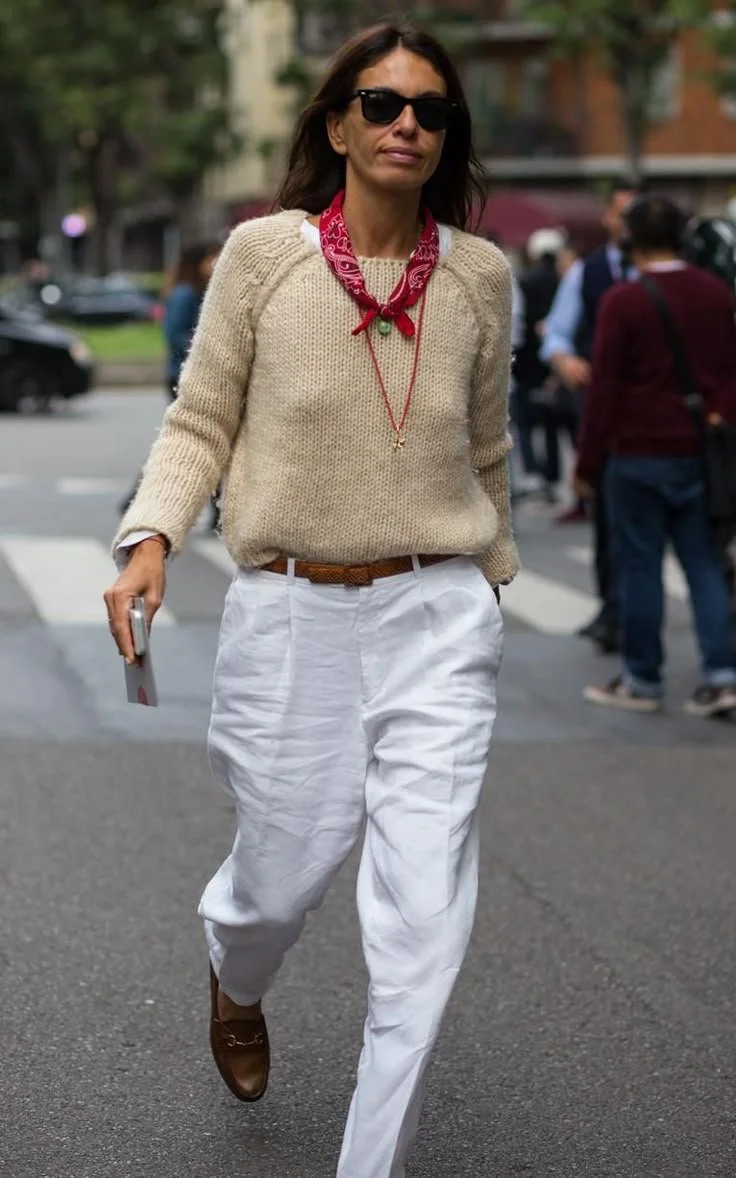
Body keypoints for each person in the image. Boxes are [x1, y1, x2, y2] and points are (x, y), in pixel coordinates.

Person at [104, 21, 518, 1178]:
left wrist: (492, 577)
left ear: (447, 138)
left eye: (430, 112)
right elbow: (200, 420)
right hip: (291, 612)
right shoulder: (262, 255)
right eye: (382, 104)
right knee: (276, 878)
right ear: (336, 123)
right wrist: (151, 538)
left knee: (424, 918)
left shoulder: (480, 276)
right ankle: (238, 977)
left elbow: (487, 451)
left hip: (438, 613)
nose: (405, 126)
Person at [575, 194, 736, 717]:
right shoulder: (715, 293)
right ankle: (721, 674)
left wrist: (587, 464)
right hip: (698, 451)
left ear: (631, 241)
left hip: (636, 453)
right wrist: (718, 413)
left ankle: (643, 678)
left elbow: (604, 392)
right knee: (703, 563)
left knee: (640, 566)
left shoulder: (624, 300)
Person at [542, 180, 642, 653]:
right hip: (603, 412)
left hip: (659, 418)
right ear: (608, 219)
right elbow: (557, 335)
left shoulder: (667, 274)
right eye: (621, 214)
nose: (628, 224)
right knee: (607, 518)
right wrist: (565, 360)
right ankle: (615, 610)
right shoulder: (589, 271)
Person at [118, 242, 220, 519]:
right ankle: (138, 498)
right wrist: (210, 346)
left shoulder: (194, 290)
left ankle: (217, 513)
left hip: (187, 375)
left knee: (199, 443)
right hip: (183, 377)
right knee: (183, 444)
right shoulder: (184, 294)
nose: (216, 262)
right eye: (212, 256)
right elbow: (175, 335)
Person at [512, 227, 567, 501]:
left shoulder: (526, 281)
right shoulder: (562, 281)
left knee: (524, 422)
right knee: (551, 423)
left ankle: (533, 470)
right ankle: (553, 473)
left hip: (527, 364)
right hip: (555, 362)